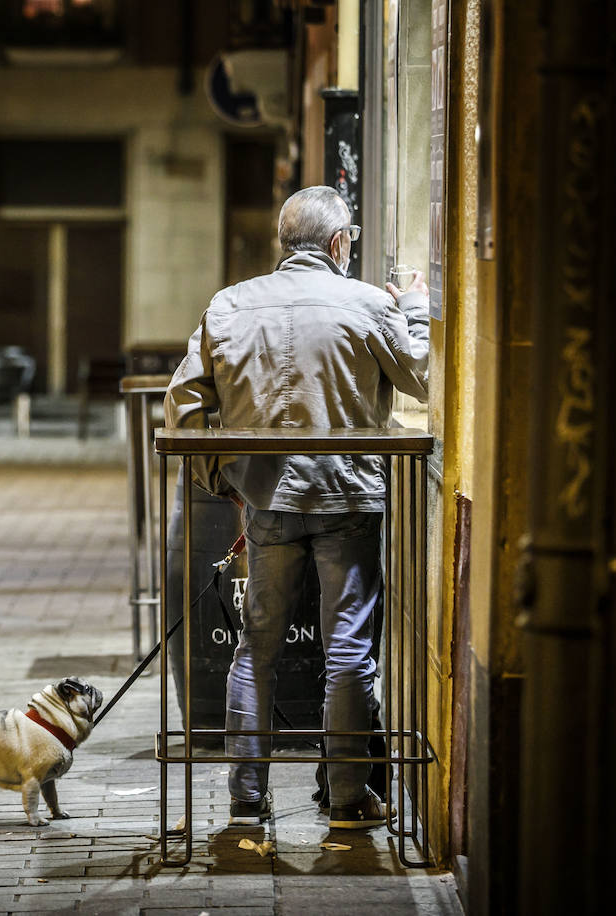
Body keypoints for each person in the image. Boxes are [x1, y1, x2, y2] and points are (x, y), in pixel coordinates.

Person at [164, 185, 430, 830]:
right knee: (348, 651)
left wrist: (221, 480)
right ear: (340, 244)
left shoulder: (230, 303)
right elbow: (422, 373)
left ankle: (247, 799)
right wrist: (417, 307)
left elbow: (184, 403)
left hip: (267, 502)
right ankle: (346, 800)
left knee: (256, 647)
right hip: (349, 496)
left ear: (285, 243)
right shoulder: (368, 303)